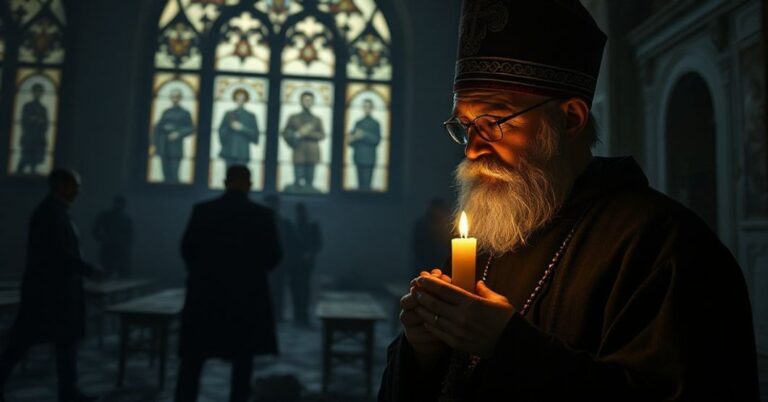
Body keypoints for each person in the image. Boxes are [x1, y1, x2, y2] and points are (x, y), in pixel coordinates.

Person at [379, 1, 759, 401]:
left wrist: (509, 346)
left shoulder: (668, 248)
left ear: (571, 119)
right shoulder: (494, 232)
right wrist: (423, 349)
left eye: (493, 122)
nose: (473, 149)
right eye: (466, 126)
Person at [176, 165, 282, 402]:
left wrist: (204, 274)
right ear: (249, 184)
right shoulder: (262, 215)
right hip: (246, 298)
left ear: (225, 182)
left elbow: (187, 250)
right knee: (242, 361)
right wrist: (251, 275)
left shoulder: (203, 211)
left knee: (193, 359)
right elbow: (274, 256)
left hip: (205, 296)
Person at [0, 169, 102, 402]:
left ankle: (69, 390)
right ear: (59, 185)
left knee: (64, 342)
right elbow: (58, 253)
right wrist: (88, 270)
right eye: (74, 185)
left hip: (57, 291)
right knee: (21, 342)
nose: (78, 190)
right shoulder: (50, 213)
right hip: (47, 292)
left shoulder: (57, 212)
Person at [281, 91, 326, 191]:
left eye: (310, 100)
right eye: (305, 100)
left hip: (312, 153)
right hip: (298, 152)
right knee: (297, 181)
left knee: (310, 183)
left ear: (313, 102)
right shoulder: (293, 117)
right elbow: (285, 133)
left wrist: (308, 133)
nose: (308, 102)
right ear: (301, 101)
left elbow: (322, 135)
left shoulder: (316, 119)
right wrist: (297, 134)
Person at [264, 194, 298, 323]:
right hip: (266, 262)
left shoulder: (284, 223)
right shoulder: (263, 220)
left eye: (272, 204)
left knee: (278, 289)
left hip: (278, 263)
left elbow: (290, 244)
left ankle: (277, 315)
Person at [153, 89, 195, 183]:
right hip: (164, 145)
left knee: (174, 174)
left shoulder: (185, 113)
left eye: (177, 97)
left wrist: (178, 133)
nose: (174, 99)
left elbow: (191, 128)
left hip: (176, 147)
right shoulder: (166, 112)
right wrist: (155, 144)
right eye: (172, 97)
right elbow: (158, 127)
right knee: (165, 174)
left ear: (180, 98)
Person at [290, 202, 322, 325]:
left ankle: (303, 314)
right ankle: (298, 314)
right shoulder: (293, 225)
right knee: (295, 289)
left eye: (301, 211)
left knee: (304, 289)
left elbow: (318, 244)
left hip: (305, 264)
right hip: (294, 263)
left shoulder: (312, 226)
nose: (300, 214)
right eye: (298, 212)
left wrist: (310, 253)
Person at [91, 195, 134, 278]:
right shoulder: (124, 218)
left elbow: (131, 235)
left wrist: (104, 239)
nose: (121, 206)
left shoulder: (126, 218)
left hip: (118, 249)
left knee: (121, 274)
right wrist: (104, 239)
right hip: (111, 249)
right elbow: (95, 231)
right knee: (108, 273)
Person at [219, 88, 260, 170]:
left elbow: (255, 135)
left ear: (245, 100)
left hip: (242, 152)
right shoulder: (228, 114)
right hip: (229, 151)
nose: (240, 101)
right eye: (238, 98)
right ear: (235, 99)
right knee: (229, 176)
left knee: (241, 177)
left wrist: (242, 128)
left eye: (242, 99)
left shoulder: (251, 116)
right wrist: (230, 128)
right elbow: (221, 131)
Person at [410, 198, 451, 279]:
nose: (435, 212)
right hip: (423, 266)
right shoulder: (421, 226)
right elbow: (416, 247)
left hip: (441, 268)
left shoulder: (447, 227)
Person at [348, 98, 382, 190]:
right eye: (365, 107)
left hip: (369, 158)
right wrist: (353, 138)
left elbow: (377, 140)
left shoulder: (375, 124)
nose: (366, 109)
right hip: (358, 157)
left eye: (368, 107)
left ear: (372, 108)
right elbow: (350, 141)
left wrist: (364, 135)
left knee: (367, 186)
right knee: (360, 185)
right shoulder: (358, 122)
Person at [16, 83, 49, 175]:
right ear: (33, 92)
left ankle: (32, 172)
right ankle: (19, 173)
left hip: (39, 137)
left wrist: (40, 121)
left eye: (40, 92)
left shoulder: (43, 109)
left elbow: (46, 124)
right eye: (36, 91)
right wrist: (33, 120)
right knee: (26, 157)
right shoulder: (27, 106)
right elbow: (24, 120)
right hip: (29, 137)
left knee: (36, 157)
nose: (38, 94)